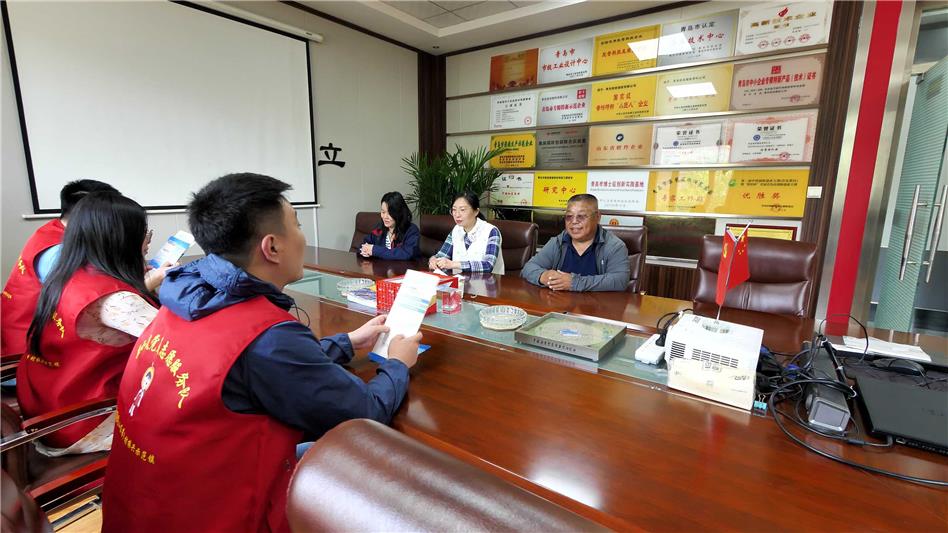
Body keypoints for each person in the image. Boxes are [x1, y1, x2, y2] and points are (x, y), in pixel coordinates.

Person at [101, 173, 422, 533]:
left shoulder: (188, 296)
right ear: (272, 247)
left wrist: (346, 341)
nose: (302, 236)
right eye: (297, 225)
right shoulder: (267, 335)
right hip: (215, 514)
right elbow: (365, 412)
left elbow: (257, 362)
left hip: (142, 506)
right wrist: (397, 362)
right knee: (379, 468)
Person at [16, 192, 160, 455]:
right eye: (144, 233)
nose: (147, 241)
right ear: (123, 239)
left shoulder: (66, 274)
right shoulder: (117, 300)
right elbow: (178, 343)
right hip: (81, 419)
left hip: (43, 403)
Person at [1, 179, 117, 357]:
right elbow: (93, 303)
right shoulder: (59, 251)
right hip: (30, 350)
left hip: (23, 329)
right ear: (90, 214)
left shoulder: (53, 231)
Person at [521, 194, 630, 292]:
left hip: (598, 306)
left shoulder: (614, 246)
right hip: (560, 304)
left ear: (597, 217)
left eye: (581, 216)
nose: (574, 221)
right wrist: (543, 276)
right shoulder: (559, 242)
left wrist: (574, 283)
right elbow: (528, 267)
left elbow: (620, 280)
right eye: (569, 216)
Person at [428, 192, 505, 274]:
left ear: (476, 211)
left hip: (488, 281)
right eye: (454, 210)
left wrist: (454, 264)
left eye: (462, 210)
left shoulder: (491, 231)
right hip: (459, 281)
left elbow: (488, 265)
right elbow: (441, 255)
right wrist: (433, 260)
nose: (457, 215)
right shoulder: (456, 230)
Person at [359, 191, 420, 260]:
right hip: (382, 266)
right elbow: (363, 244)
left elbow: (406, 254)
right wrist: (364, 250)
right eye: (383, 212)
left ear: (399, 213)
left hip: (404, 267)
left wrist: (375, 250)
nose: (385, 217)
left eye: (390, 213)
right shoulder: (380, 227)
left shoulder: (412, 230)